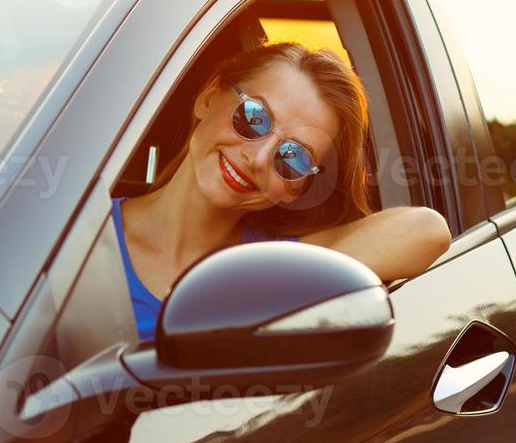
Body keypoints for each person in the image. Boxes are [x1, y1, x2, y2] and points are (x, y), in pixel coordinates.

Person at [110, 42, 450, 340]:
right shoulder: (73, 231)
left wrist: (259, 286)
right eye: (254, 117)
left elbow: (427, 230)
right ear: (208, 98)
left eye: (293, 158)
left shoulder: (278, 262)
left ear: (296, 190)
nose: (257, 158)